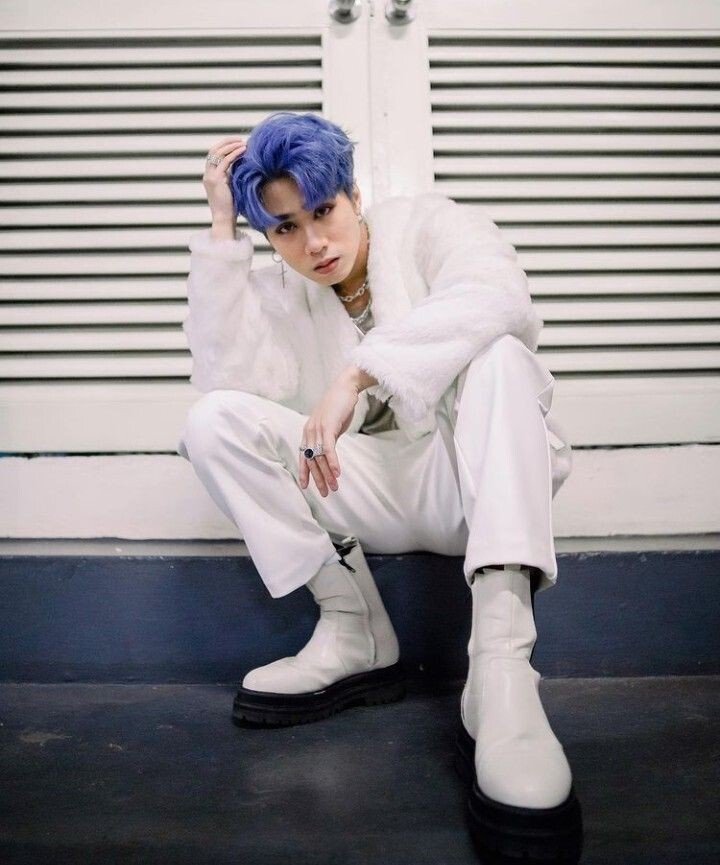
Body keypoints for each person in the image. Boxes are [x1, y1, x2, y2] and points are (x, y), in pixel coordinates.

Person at [177, 111, 582, 862]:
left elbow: (501, 294)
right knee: (213, 421)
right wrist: (224, 232)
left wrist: (355, 376)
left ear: (355, 195)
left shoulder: (428, 224)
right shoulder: (284, 291)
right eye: (286, 229)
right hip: (367, 487)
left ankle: (501, 667)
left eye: (323, 211)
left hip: (470, 482)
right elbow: (229, 379)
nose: (313, 244)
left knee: (498, 355)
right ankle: (352, 626)